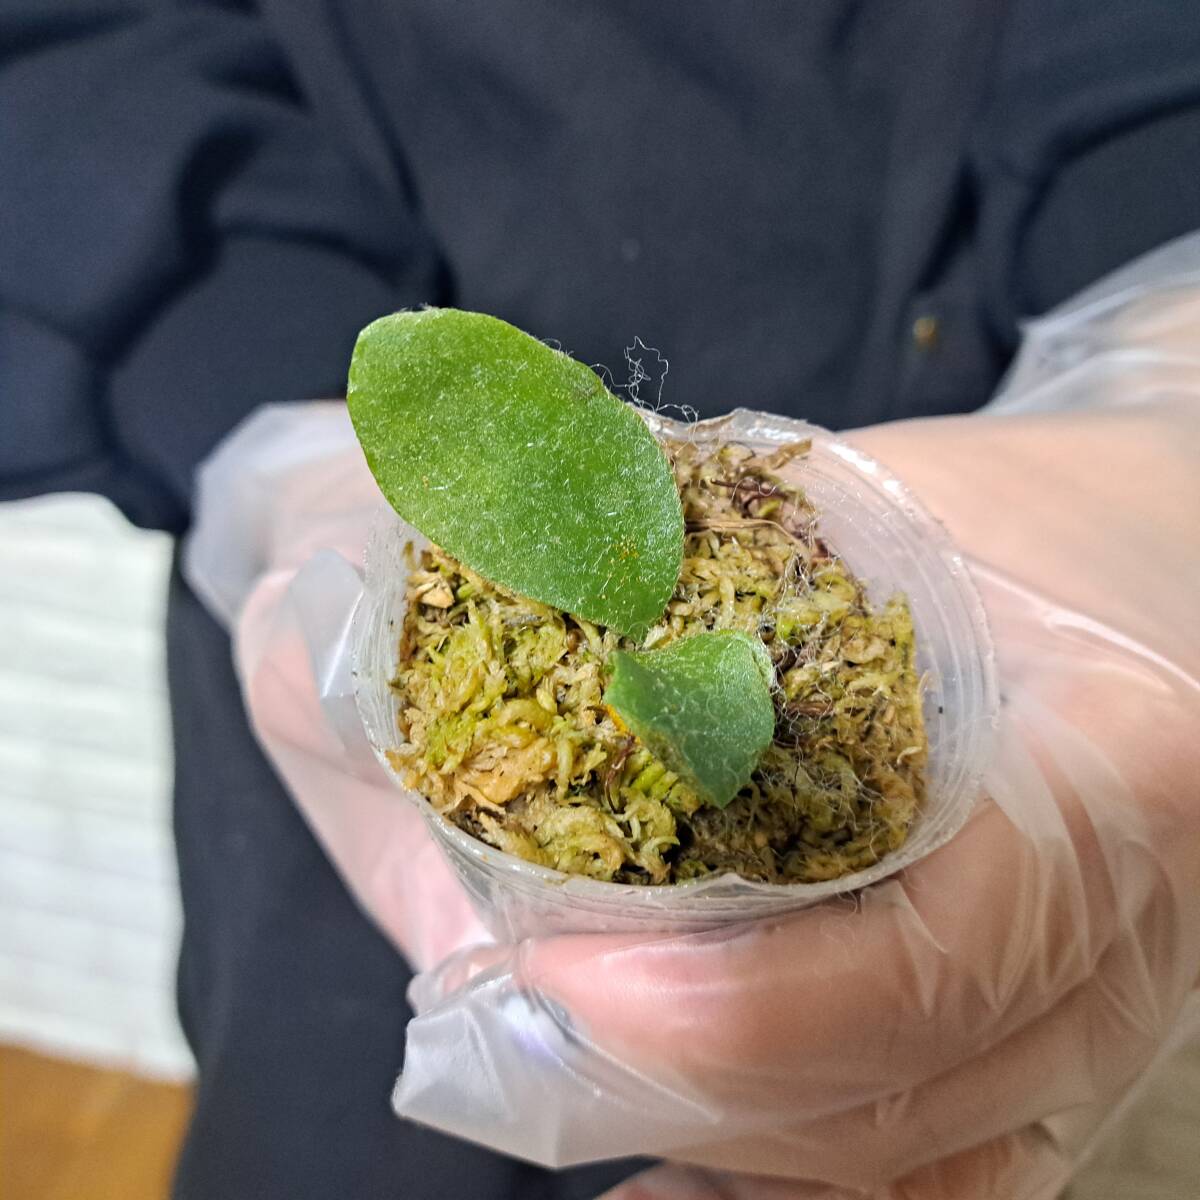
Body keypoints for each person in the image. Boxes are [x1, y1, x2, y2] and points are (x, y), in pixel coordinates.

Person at [2, 4, 1199, 1198]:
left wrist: (1165, 372)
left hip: (963, 524)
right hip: (359, 706)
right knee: (343, 1113)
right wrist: (253, 390)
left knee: (905, 1067)